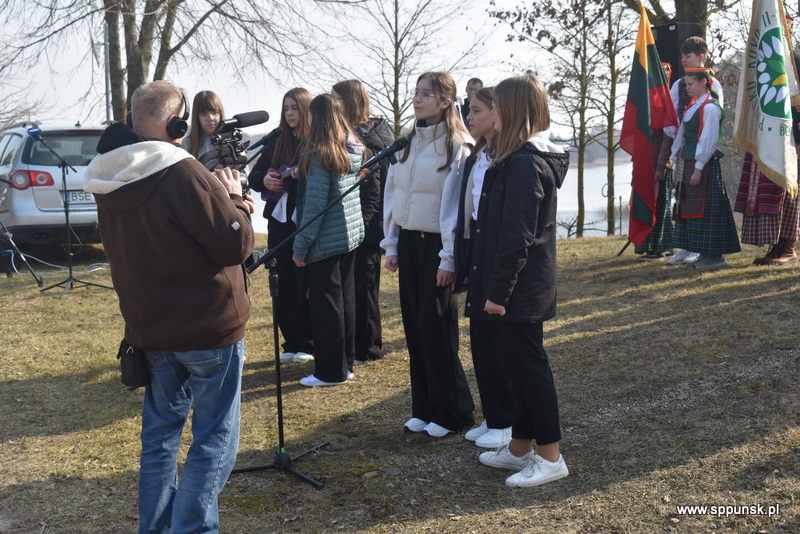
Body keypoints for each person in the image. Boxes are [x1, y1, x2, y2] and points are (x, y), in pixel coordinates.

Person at [83, 80, 255, 532]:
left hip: (151, 330)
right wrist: (235, 201)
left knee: (159, 440)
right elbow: (233, 244)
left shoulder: (107, 176)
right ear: (177, 124)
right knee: (214, 437)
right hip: (209, 328)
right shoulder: (181, 171)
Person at [473, 74, 570, 488]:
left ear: (511, 111)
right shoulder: (514, 160)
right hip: (517, 286)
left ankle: (550, 457)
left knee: (529, 369)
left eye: (497, 105)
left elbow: (517, 237)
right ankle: (519, 448)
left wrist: (498, 293)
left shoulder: (525, 164)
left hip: (521, 288)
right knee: (517, 367)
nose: (492, 111)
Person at [382, 71, 475, 437]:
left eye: (426, 94)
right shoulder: (405, 142)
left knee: (436, 328)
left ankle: (453, 411)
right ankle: (424, 407)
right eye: (416, 93)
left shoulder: (457, 146)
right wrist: (392, 243)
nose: (418, 99)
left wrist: (449, 257)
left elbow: (455, 207)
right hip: (408, 240)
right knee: (415, 327)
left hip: (438, 245)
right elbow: (393, 194)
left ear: (446, 101)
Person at [291, 94, 365, 386]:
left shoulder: (320, 154)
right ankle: (346, 363)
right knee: (345, 301)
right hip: (348, 237)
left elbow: (314, 208)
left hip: (326, 241)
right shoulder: (349, 149)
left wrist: (300, 247)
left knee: (326, 307)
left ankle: (330, 372)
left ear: (316, 117)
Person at [455, 85, 514, 449]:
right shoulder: (478, 154)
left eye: (477, 110)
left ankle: (507, 421)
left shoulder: (508, 158)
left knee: (497, 342)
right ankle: (493, 414)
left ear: (496, 113)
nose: (469, 116)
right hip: (477, 248)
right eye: (469, 110)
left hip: (496, 250)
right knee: (479, 339)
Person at [331, 80, 395, 364]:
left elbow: (373, 190)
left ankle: (368, 348)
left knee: (365, 285)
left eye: (335, 99)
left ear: (350, 102)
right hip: (356, 221)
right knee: (355, 285)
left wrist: (363, 224)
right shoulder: (354, 133)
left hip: (367, 223)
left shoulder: (368, 138)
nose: (332, 104)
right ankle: (357, 345)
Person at [248, 88, 314, 364]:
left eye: (295, 108)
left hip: (304, 221)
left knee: (303, 282)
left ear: (306, 110)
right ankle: (291, 342)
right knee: (282, 281)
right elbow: (254, 175)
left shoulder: (315, 140)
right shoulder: (276, 139)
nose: (289, 113)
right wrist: (264, 180)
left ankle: (308, 341)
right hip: (278, 222)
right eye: (286, 108)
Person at [735, 48, 800, 265]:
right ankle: (777, 245)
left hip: (794, 143)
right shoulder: (768, 60)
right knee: (777, 194)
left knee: (791, 196)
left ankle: (789, 248)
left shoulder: (796, 63)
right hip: (774, 140)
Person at [670, 67, 740, 268]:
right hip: (688, 161)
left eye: (690, 84)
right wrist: (677, 160)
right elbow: (683, 136)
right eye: (686, 84)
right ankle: (702, 253)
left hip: (703, 164)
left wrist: (699, 167)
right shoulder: (694, 105)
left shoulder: (710, 108)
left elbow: (708, 140)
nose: (687, 88)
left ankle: (714, 256)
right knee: (691, 210)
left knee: (707, 211)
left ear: (703, 83)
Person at [666, 36, 725, 266]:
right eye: (682, 56)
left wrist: (700, 157)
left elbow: (712, 120)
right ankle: (687, 246)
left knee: (700, 203)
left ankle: (702, 249)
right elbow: (673, 113)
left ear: (701, 57)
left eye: (687, 56)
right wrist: (675, 140)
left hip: (700, 149)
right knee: (683, 200)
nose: (683, 60)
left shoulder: (712, 87)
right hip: (685, 148)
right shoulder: (679, 85)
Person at [635, 63, 676, 261]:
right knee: (644, 205)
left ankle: (662, 247)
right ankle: (647, 246)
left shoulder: (667, 102)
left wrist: (661, 165)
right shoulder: (645, 102)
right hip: (644, 164)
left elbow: (668, 138)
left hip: (660, 165)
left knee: (661, 206)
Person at [181, 90, 248, 178]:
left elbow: (245, 175)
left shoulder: (233, 142)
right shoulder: (187, 144)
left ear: (220, 113)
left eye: (214, 113)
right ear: (197, 117)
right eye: (204, 114)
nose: (210, 118)